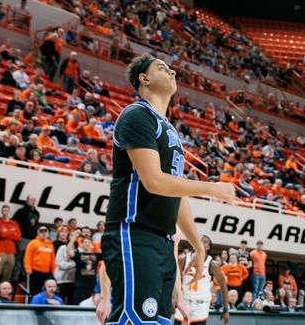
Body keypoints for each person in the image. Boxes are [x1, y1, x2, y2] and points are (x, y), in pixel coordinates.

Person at [98, 55, 235, 325]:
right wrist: (212, 189)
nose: (171, 70)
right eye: (162, 67)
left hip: (163, 243)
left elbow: (175, 193)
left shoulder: (169, 130)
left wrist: (197, 246)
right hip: (134, 234)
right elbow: (154, 181)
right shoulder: (136, 114)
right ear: (144, 79)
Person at [174, 235, 230, 325]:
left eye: (205, 241)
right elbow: (173, 280)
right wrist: (173, 298)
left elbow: (223, 287)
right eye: (199, 240)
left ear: (209, 247)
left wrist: (226, 309)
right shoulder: (183, 259)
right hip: (183, 301)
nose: (201, 242)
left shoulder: (212, 265)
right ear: (193, 243)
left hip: (201, 304)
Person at [67, 230, 102, 305]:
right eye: (85, 242)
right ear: (82, 244)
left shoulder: (96, 255)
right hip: (80, 286)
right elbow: (69, 251)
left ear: (92, 244)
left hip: (92, 286)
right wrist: (73, 239)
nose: (87, 244)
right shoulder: (79, 255)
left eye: (88, 242)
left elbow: (107, 254)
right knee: (77, 308)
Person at [24, 226, 55, 296]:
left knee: (45, 292)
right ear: (38, 233)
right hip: (35, 272)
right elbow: (28, 256)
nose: (43, 234)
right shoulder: (33, 243)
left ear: (48, 234)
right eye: (42, 232)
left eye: (45, 232)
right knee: (34, 291)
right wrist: (27, 268)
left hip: (47, 273)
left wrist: (53, 271)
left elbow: (52, 259)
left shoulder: (50, 245)